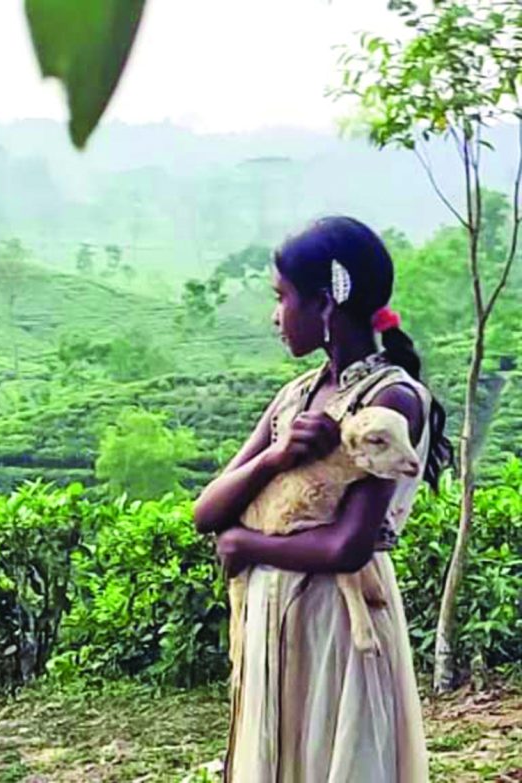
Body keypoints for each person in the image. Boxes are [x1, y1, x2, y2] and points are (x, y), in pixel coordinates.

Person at [192, 216, 453, 782]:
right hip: (273, 615)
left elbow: (347, 546)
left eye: (282, 297)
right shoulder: (297, 396)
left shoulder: (390, 401)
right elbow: (205, 512)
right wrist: (274, 457)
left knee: (335, 758)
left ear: (326, 305)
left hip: (338, 623)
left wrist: (247, 542)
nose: (275, 315)